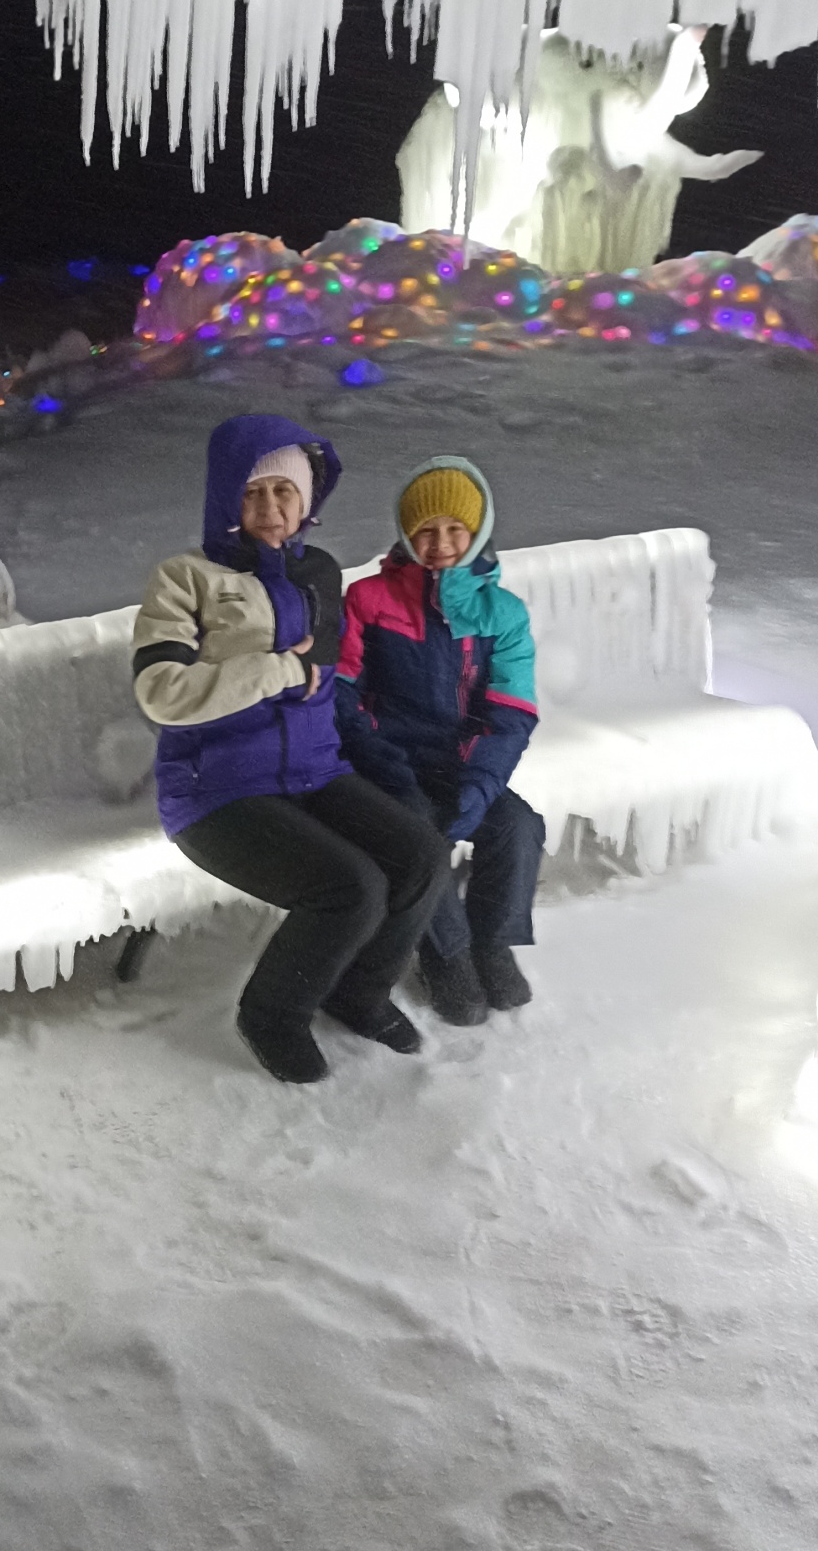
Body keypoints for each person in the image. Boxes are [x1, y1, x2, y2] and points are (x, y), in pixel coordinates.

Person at [132, 414, 450, 1083]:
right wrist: (273, 670)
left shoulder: (319, 574)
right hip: (215, 788)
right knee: (351, 888)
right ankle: (272, 1013)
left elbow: (324, 677)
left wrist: (322, 701)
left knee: (420, 853)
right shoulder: (185, 578)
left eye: (285, 492)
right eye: (252, 493)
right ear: (226, 498)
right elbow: (162, 692)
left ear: (307, 499)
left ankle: (357, 992)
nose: (271, 509)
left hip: (311, 773)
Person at [335, 456, 545, 1027]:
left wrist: (479, 784)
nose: (442, 543)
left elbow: (511, 710)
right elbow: (342, 692)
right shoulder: (368, 600)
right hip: (387, 764)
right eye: (426, 530)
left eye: (457, 530)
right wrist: (380, 760)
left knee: (516, 826)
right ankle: (445, 954)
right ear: (407, 533)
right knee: (418, 835)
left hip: (461, 764)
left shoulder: (501, 614)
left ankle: (489, 943)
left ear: (478, 533)